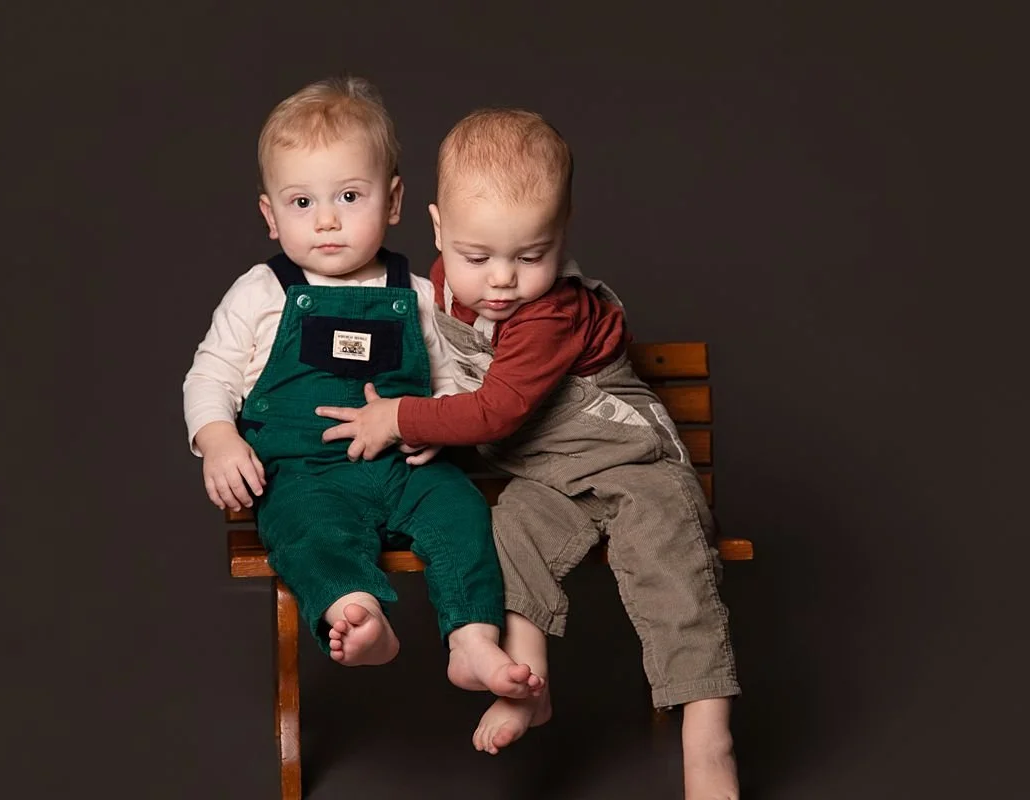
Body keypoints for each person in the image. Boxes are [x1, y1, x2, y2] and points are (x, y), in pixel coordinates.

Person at [315, 108, 740, 799]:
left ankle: (707, 735)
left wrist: (402, 417)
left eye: (531, 256)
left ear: (561, 235)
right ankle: (528, 684)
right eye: (478, 257)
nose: (503, 280)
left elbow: (497, 410)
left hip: (627, 458)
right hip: (544, 476)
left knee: (673, 570)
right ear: (437, 228)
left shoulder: (552, 314)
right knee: (509, 532)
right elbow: (445, 374)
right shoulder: (444, 286)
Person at [182, 79, 541, 700]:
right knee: (306, 532)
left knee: (463, 516)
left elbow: (456, 379)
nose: (326, 219)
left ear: (394, 200)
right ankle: (358, 614)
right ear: (269, 214)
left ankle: (473, 637)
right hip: (306, 474)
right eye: (301, 203)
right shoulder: (262, 292)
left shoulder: (420, 293)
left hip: (405, 468)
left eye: (349, 195)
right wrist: (217, 437)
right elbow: (209, 374)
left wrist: (436, 424)